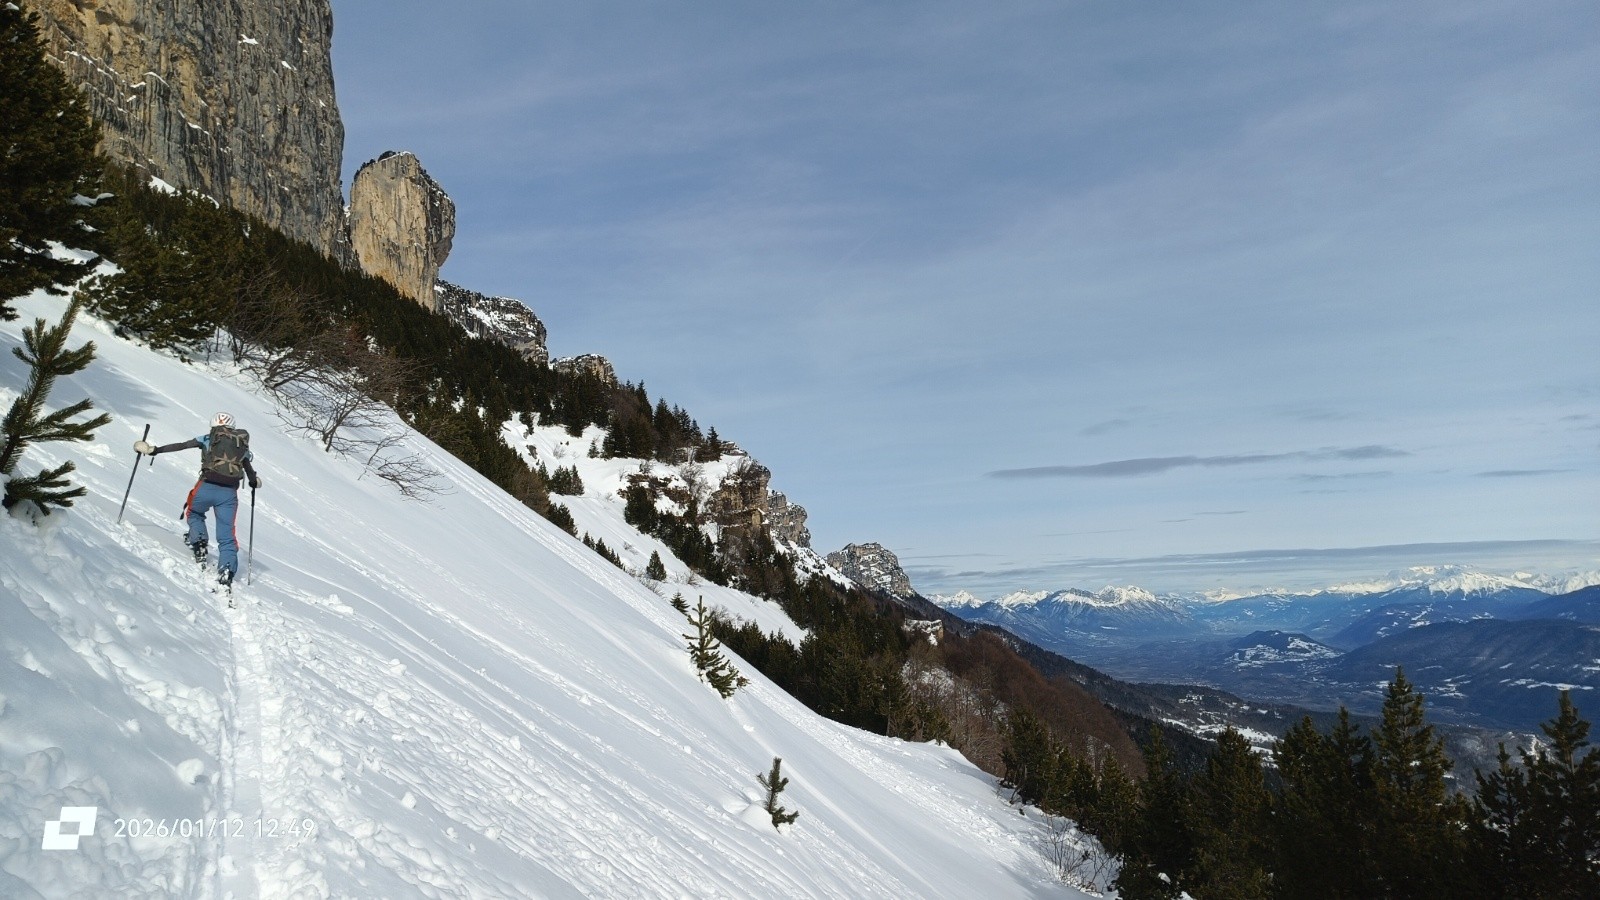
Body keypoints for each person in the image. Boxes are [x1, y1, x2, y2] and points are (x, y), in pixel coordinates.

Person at [135, 412, 261, 587]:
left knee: (194, 513)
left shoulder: (207, 438)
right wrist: (254, 481)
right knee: (227, 533)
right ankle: (227, 570)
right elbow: (250, 472)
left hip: (206, 486)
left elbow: (181, 445)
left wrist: (154, 450)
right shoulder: (241, 445)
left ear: (213, 425)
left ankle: (200, 543)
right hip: (229, 494)